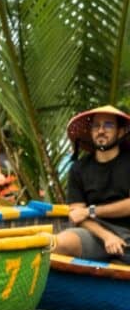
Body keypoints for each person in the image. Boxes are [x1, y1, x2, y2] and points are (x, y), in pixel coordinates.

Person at [56, 105, 130, 260]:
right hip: (95, 233)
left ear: (121, 132)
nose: (101, 130)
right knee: (59, 243)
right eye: (96, 126)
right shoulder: (79, 168)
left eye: (108, 125)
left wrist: (91, 211)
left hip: (127, 231)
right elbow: (77, 214)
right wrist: (107, 236)